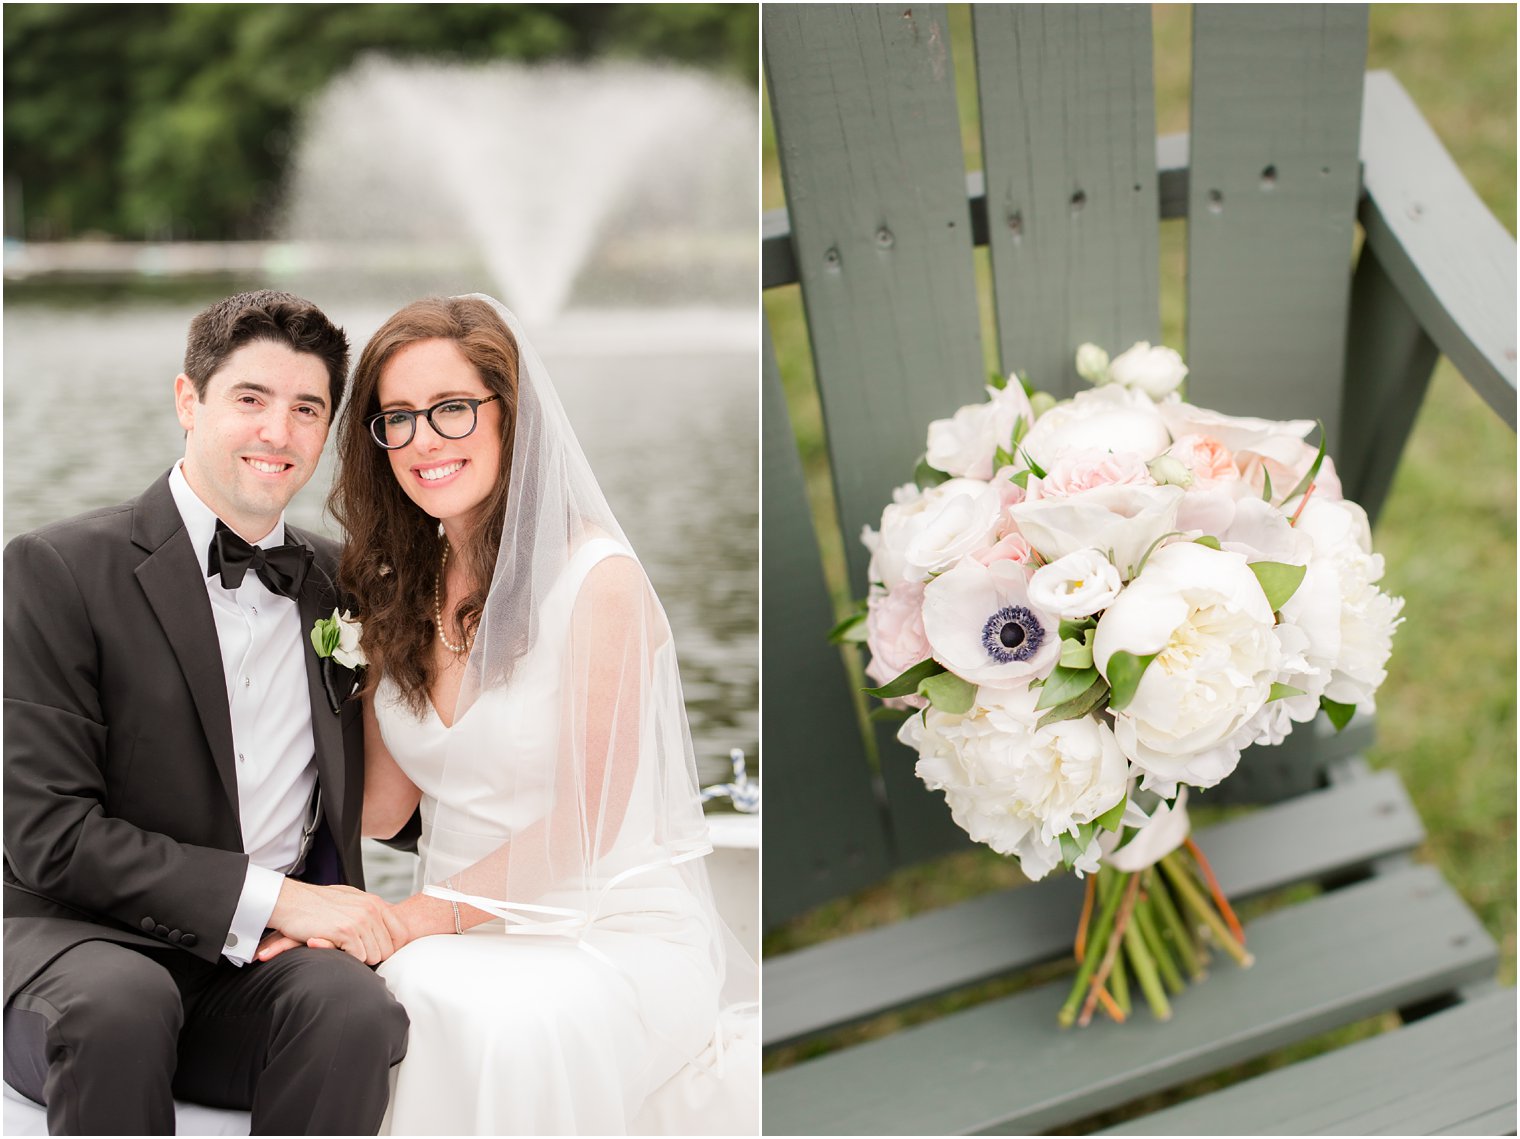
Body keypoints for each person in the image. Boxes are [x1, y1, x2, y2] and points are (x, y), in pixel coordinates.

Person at [305, 293, 758, 1134]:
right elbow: (383, 809)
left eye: (451, 409)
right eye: (396, 418)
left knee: (489, 1018)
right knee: (396, 994)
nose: (423, 441)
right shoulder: (404, 590)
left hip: (605, 928)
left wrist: (412, 919)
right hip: (460, 933)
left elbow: (585, 824)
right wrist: (360, 650)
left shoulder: (597, 582)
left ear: (510, 416)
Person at [3, 290, 410, 1134]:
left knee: (354, 1008)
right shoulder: (56, 570)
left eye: (307, 409)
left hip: (258, 973)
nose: (279, 432)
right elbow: (48, 833)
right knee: (122, 1004)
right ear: (189, 401)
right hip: (83, 950)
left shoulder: (347, 586)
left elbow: (402, 791)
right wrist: (275, 899)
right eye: (251, 399)